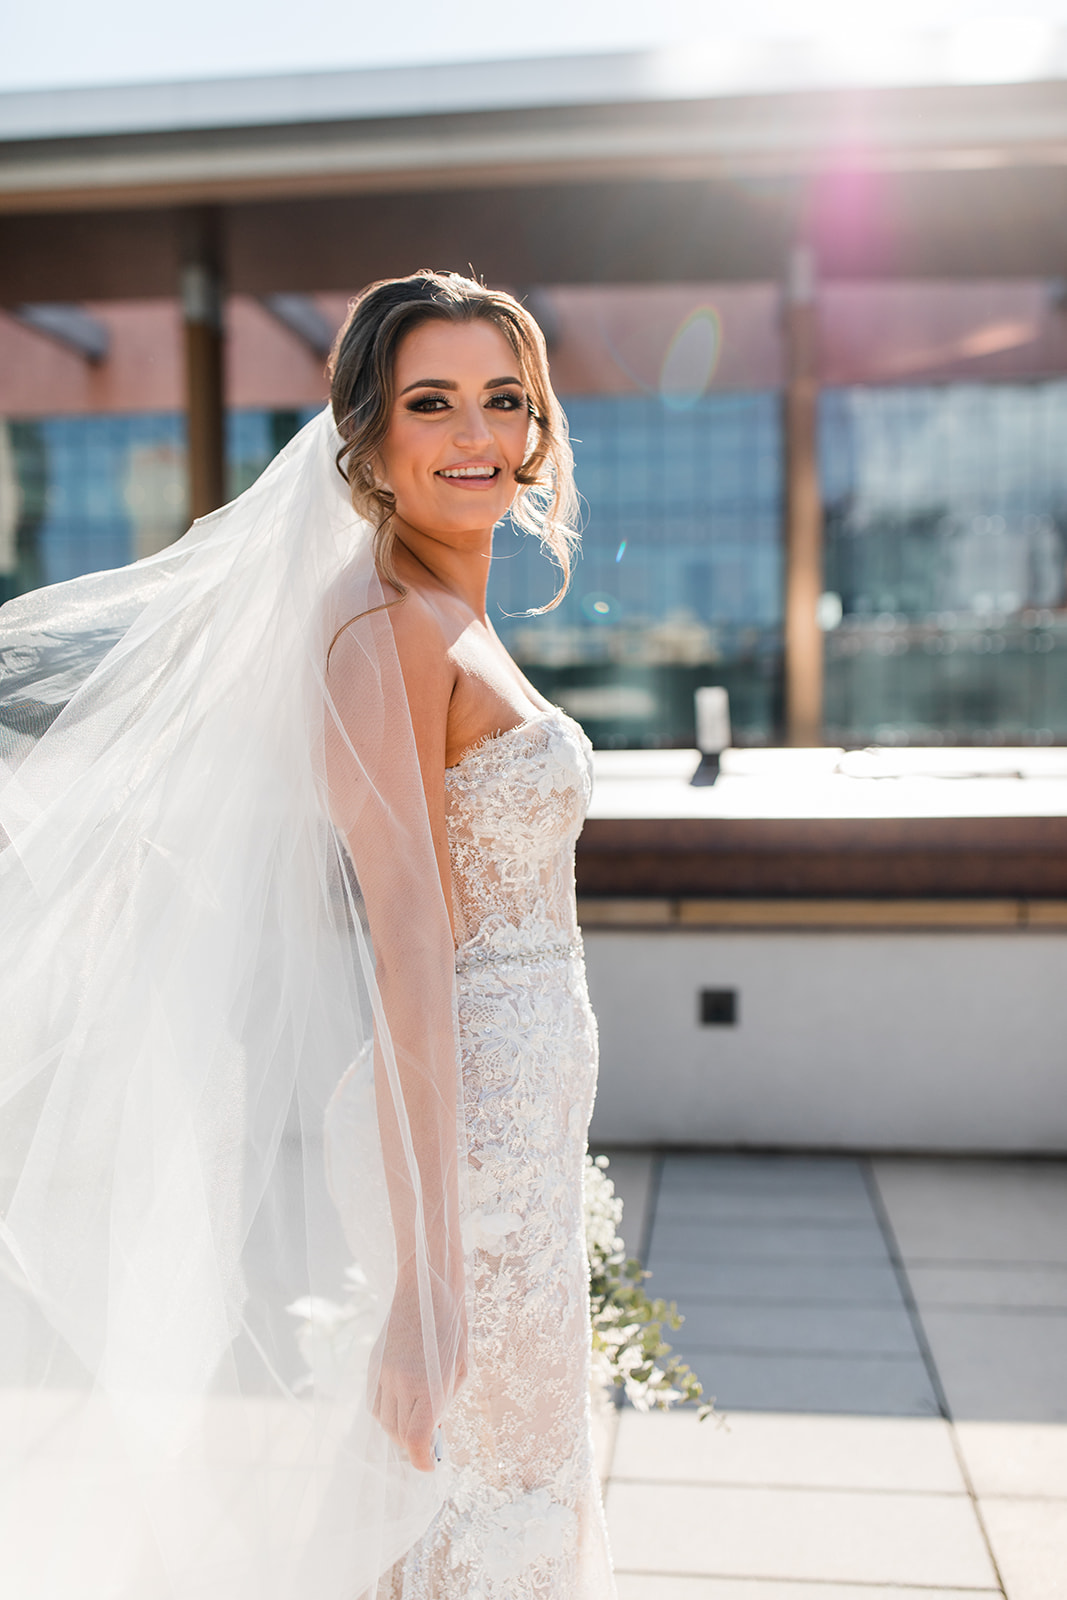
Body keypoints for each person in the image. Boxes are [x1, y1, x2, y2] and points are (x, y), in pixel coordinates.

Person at [0, 271, 616, 1599]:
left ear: (538, 426)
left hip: (514, 1130)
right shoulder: (381, 627)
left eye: (503, 400)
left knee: (506, 1492)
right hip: (460, 1143)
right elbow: (406, 946)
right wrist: (428, 1288)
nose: (474, 436)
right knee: (473, 1506)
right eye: (432, 402)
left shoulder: (455, 615)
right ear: (371, 439)